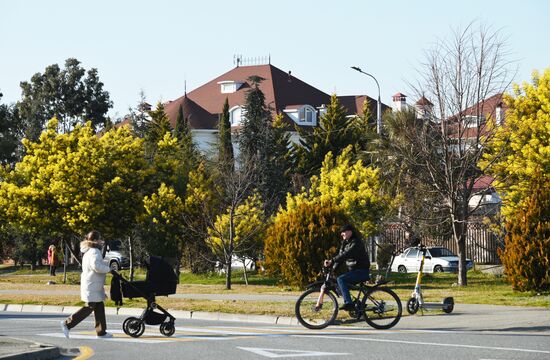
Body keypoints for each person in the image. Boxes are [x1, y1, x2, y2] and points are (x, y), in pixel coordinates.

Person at [61, 230, 113, 339]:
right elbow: (96, 266)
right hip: (92, 284)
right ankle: (67, 324)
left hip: (93, 284)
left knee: (99, 306)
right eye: (99, 239)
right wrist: (108, 269)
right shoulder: (94, 251)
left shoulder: (89, 251)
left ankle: (101, 332)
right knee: (90, 306)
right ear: (94, 240)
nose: (100, 241)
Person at [324, 224, 371, 312]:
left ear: (350, 232)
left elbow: (346, 254)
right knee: (338, 283)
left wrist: (332, 260)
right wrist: (332, 269)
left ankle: (349, 303)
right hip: (355, 271)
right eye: (341, 232)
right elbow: (340, 258)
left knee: (341, 279)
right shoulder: (346, 243)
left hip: (361, 271)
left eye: (344, 231)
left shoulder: (356, 243)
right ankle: (357, 304)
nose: (342, 234)